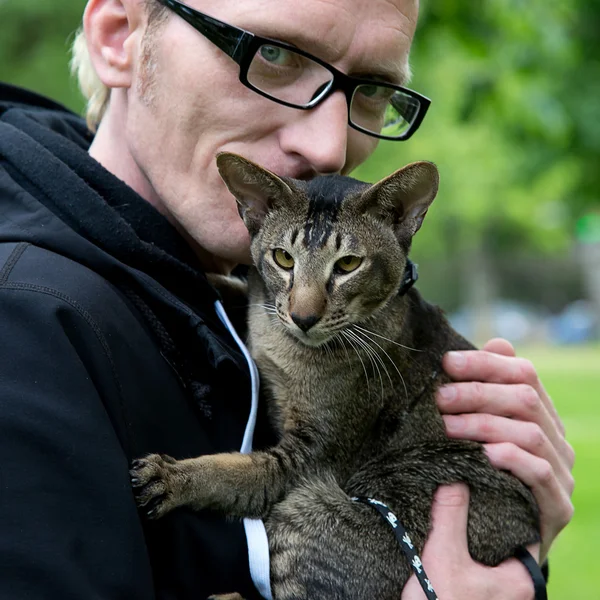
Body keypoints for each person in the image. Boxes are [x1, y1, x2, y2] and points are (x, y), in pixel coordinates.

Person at [0, 0, 574, 598]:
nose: (329, 148)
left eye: (373, 90)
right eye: (273, 54)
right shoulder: (26, 329)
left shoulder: (227, 291)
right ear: (119, 37)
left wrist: (506, 553)